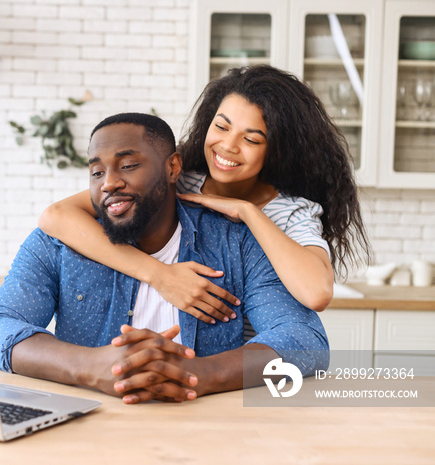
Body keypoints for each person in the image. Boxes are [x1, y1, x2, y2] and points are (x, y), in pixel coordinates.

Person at [0, 112, 329, 404]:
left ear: (174, 167)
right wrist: (90, 366)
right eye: (97, 172)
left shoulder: (235, 241)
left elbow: (304, 340)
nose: (109, 183)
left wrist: (200, 373)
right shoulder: (57, 244)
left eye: (128, 165)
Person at [38, 65, 372, 328]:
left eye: (252, 139)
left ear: (277, 150)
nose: (228, 146)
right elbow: (55, 216)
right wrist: (159, 275)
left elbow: (317, 293)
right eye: (222, 127)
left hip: (248, 367)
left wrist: (247, 212)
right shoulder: (177, 180)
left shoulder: (292, 212)